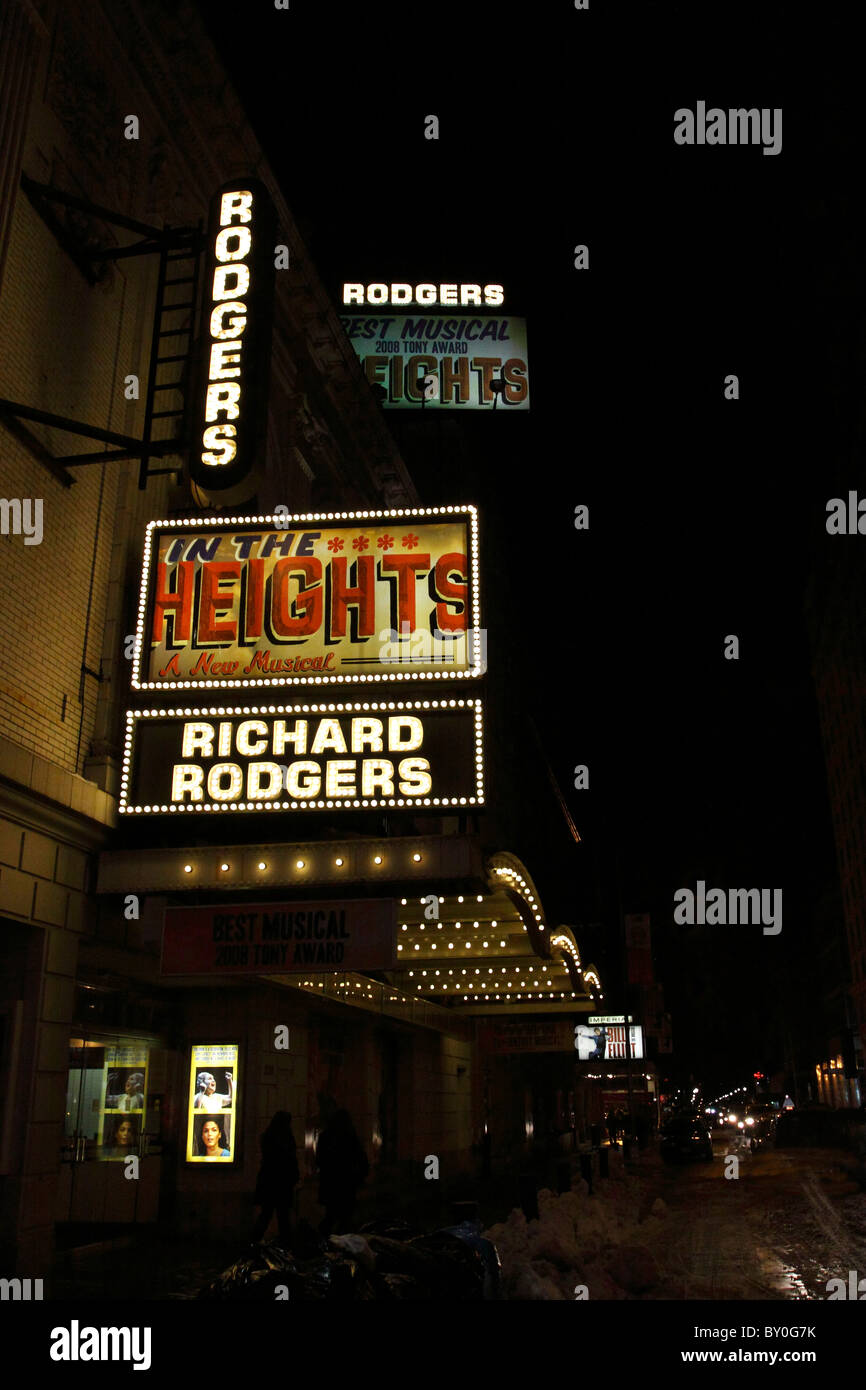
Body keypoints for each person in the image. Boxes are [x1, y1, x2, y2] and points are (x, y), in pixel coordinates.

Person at [315, 1109, 369, 1236]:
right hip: (346, 1182)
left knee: (331, 1215)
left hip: (330, 1182)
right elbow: (361, 1158)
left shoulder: (325, 1136)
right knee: (345, 1217)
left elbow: (319, 1159)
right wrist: (360, 1176)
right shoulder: (350, 1136)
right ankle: (339, 1241)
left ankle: (326, 1239)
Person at [251, 1111, 299, 1245]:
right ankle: (286, 1243)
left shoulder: (268, 1137)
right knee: (282, 1215)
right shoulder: (286, 1138)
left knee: (266, 1214)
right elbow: (290, 1160)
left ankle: (254, 1241)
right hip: (282, 1183)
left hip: (269, 1182)